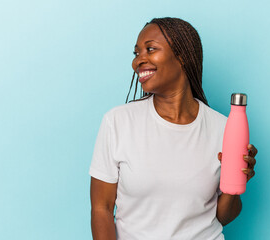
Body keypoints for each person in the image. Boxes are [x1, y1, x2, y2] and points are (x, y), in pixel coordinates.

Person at [89, 17, 257, 240]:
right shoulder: (118, 122)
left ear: (182, 57)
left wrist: (236, 182)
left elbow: (222, 216)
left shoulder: (224, 128)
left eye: (150, 49)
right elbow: (101, 208)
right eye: (137, 53)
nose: (138, 60)